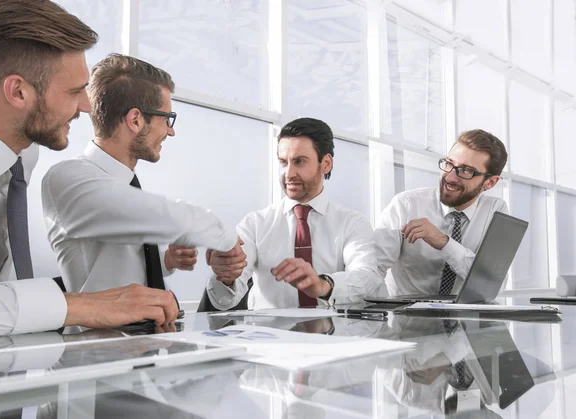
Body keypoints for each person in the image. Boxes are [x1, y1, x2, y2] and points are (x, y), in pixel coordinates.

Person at [0, 0, 178, 337]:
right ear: (18, 91)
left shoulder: (23, 157)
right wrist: (84, 306)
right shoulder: (69, 177)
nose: (87, 106)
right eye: (74, 91)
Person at [42, 53, 243, 295]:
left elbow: (113, 266)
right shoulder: (67, 178)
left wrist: (166, 261)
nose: (170, 132)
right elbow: (176, 219)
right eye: (167, 119)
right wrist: (228, 240)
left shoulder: (125, 186)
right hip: (101, 334)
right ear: (135, 120)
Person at [206, 117, 386, 310]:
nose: (289, 173)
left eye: (299, 162)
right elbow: (224, 302)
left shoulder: (352, 223)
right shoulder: (254, 224)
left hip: (334, 337)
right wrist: (226, 277)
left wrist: (323, 285)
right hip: (269, 337)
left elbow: (368, 278)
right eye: (283, 162)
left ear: (325, 163)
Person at [374, 129, 508, 296]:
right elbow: (373, 268)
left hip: (466, 320)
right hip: (408, 318)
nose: (450, 177)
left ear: (490, 182)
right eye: (449, 163)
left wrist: (444, 242)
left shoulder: (495, 211)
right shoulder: (406, 205)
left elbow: (493, 284)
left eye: (466, 170)